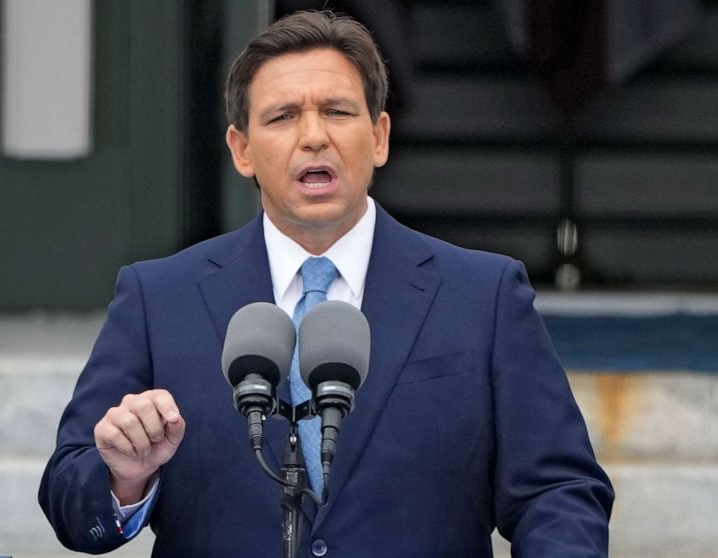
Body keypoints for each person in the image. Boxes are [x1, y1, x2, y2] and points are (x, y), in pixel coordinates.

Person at [39, 10, 613, 557]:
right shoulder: (158, 298)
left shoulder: (483, 296)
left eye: (337, 111)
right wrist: (124, 477)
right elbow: (69, 499)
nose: (313, 136)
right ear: (241, 150)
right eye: (283, 116)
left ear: (380, 136)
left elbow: (557, 490)